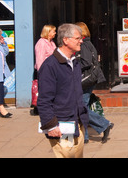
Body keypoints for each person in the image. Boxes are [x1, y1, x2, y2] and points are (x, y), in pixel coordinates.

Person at [37, 23, 89, 158]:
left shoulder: (75, 62)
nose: (81, 41)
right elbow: (43, 100)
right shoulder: (50, 66)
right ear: (65, 40)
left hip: (77, 123)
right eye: (77, 38)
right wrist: (51, 126)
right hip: (61, 125)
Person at [75, 22, 113, 144]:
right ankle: (85, 136)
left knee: (80, 107)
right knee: (81, 107)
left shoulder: (85, 45)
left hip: (86, 80)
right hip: (88, 79)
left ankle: (104, 124)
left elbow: (86, 63)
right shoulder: (87, 43)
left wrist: (72, 66)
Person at [32, 24, 57, 115]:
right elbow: (40, 59)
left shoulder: (52, 42)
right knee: (43, 90)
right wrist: (42, 72)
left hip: (52, 70)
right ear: (48, 32)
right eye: (53, 31)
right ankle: (40, 108)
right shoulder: (41, 43)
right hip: (44, 71)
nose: (55, 33)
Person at [0, 27, 13, 118]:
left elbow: (6, 53)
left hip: (0, 73)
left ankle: (1, 109)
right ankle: (2, 109)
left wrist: (4, 43)